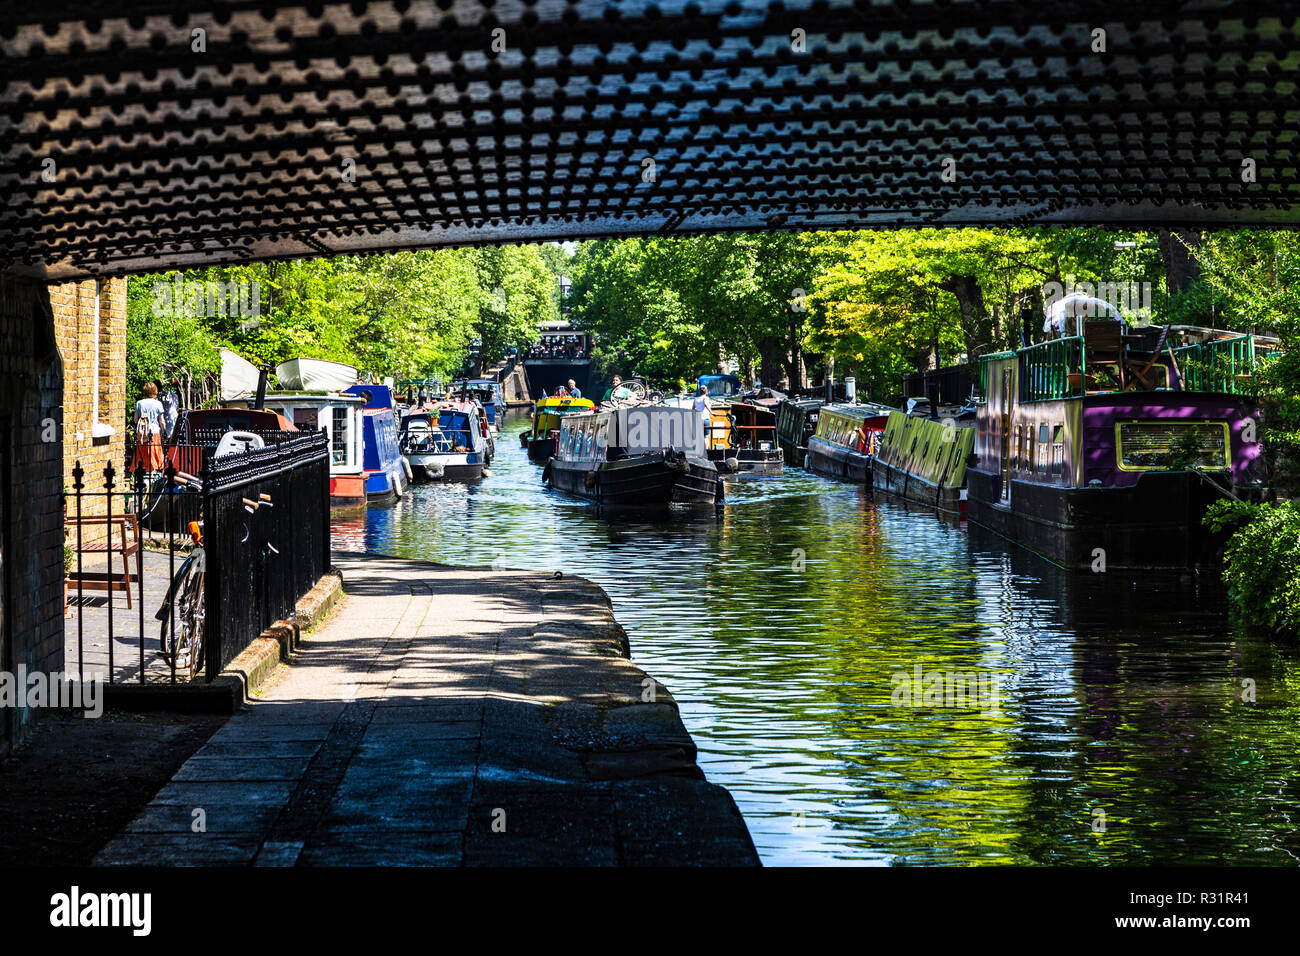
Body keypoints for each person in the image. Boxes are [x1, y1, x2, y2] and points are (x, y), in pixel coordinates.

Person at [131, 382, 165, 473]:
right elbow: (161, 421)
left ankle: (141, 473)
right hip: (154, 432)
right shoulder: (158, 404)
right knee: (153, 453)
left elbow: (135, 419)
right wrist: (163, 431)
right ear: (155, 391)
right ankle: (153, 473)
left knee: (142, 454)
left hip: (142, 433)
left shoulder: (139, 403)